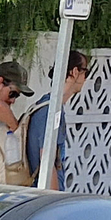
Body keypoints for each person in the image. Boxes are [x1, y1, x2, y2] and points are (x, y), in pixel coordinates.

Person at [24, 52, 92, 191]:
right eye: (86, 72)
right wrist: (53, 199)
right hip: (42, 196)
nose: (85, 79)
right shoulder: (50, 110)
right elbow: (47, 163)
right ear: (74, 72)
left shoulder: (50, 107)